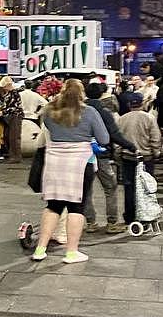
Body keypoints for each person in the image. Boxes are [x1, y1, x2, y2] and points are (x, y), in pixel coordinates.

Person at [31, 79, 109, 265]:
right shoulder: (89, 112)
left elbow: (48, 128)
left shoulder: (49, 111)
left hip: (55, 162)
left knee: (53, 206)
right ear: (81, 93)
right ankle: (71, 252)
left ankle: (40, 249)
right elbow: (104, 138)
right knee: (76, 207)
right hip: (81, 163)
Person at [85, 82, 135, 233]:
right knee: (110, 187)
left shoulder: (79, 111)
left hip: (83, 155)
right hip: (102, 154)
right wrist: (130, 146)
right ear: (101, 94)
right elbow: (114, 134)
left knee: (86, 189)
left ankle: (90, 222)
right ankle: (112, 222)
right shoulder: (104, 112)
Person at [119, 92, 162, 174]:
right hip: (146, 156)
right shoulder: (149, 118)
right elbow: (155, 137)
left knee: (129, 184)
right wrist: (156, 152)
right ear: (142, 103)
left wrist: (118, 154)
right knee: (146, 183)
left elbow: (118, 139)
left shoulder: (122, 119)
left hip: (127, 156)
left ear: (129, 104)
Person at [0, 76, 25, 163]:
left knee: (14, 137)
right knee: (7, 136)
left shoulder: (14, 93)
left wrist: (3, 112)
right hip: (10, 117)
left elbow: (15, 107)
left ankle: (16, 157)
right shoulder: (9, 93)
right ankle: (12, 155)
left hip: (15, 116)